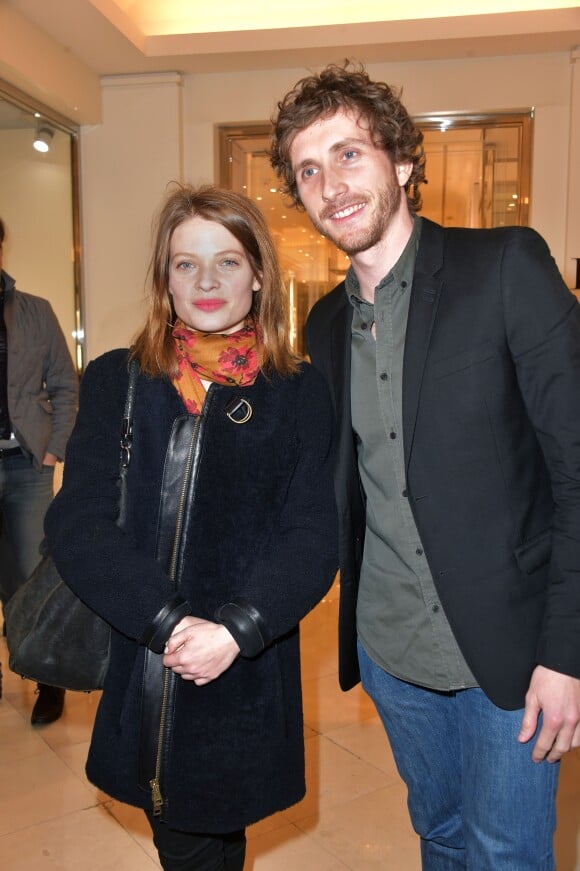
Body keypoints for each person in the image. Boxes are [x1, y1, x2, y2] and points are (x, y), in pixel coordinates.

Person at [270, 62, 580, 870]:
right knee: (439, 837)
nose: (329, 184)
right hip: (391, 654)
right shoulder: (330, 323)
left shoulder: (506, 266)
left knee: (507, 854)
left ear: (402, 161)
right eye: (308, 169)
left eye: (348, 154)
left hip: (511, 656)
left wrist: (568, 652)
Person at [44, 183, 337, 871]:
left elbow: (313, 534)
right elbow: (77, 521)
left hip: (243, 672)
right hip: (147, 664)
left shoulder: (297, 391)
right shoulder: (117, 378)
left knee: (210, 840)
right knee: (184, 837)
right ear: (163, 277)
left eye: (228, 261)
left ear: (259, 273)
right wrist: (170, 623)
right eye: (185, 263)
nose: (206, 281)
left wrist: (235, 629)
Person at [0, 216, 78, 724]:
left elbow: (66, 384)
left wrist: (53, 451)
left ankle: (48, 678)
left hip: (27, 466)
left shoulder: (34, 312)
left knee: (32, 574)